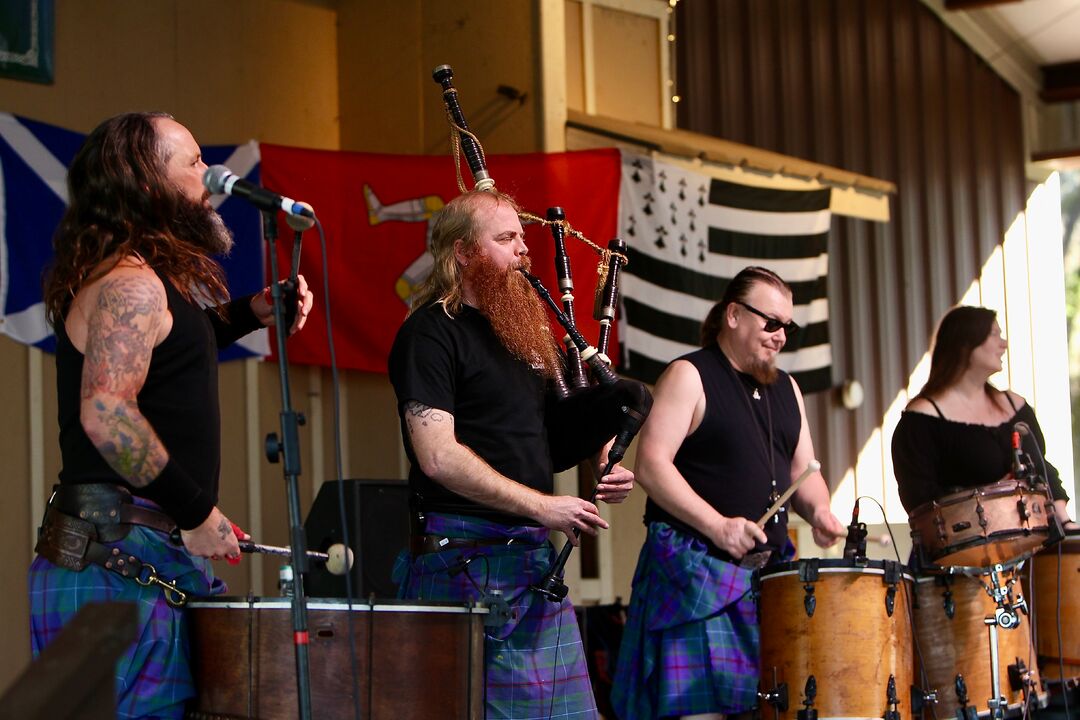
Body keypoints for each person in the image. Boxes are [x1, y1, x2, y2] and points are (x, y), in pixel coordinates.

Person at [30, 111, 313, 719]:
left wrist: (254, 312)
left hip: (136, 555)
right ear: (147, 184)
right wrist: (197, 511)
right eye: (192, 163)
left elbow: (175, 347)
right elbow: (106, 411)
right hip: (114, 560)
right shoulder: (131, 285)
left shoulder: (149, 283)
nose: (212, 175)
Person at [388, 189, 636, 719]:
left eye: (522, 237)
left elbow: (546, 437)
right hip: (464, 561)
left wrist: (601, 452)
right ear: (463, 253)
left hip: (529, 561)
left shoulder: (525, 338)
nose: (524, 249)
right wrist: (544, 507)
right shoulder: (430, 333)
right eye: (505, 238)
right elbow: (436, 456)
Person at [612, 265, 845, 720]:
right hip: (696, 569)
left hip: (769, 578)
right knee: (700, 713)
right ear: (734, 315)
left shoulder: (788, 389)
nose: (780, 336)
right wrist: (717, 527)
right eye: (771, 323)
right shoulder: (689, 375)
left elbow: (805, 471)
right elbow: (651, 466)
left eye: (788, 327)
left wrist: (820, 511)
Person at [892, 305, 1075, 531]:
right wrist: (993, 496)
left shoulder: (1014, 404)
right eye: (994, 334)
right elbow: (919, 499)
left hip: (1033, 541)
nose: (1004, 344)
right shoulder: (921, 420)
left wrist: (1064, 520)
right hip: (963, 554)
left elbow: (1042, 468)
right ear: (965, 344)